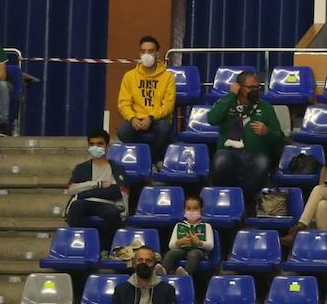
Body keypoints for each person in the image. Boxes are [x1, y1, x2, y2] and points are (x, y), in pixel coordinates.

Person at [208, 70, 286, 206]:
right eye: (251, 87)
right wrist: (231, 95)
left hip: (256, 154)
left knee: (261, 162)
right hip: (229, 152)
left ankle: (247, 203)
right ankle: (220, 200)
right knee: (220, 159)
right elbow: (212, 119)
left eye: (257, 87)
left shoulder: (266, 107)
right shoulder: (226, 103)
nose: (255, 90)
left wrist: (266, 132)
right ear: (239, 87)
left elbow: (279, 137)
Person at [64, 129, 130, 252]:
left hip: (107, 205)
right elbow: (72, 189)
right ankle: (77, 248)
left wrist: (86, 191)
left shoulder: (117, 169)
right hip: (85, 203)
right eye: (92, 144)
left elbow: (116, 192)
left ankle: (109, 250)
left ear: (107, 146)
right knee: (76, 207)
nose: (96, 147)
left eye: (100, 144)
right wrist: (97, 184)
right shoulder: (82, 168)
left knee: (112, 213)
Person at [116, 35, 175, 163]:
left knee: (165, 128)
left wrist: (151, 117)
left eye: (150, 51)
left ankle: (153, 161)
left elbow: (168, 105)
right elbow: (123, 103)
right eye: (143, 51)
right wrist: (132, 118)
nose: (146, 55)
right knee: (123, 131)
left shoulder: (168, 77)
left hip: (158, 120)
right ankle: (140, 159)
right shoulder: (129, 76)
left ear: (157, 54)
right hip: (136, 119)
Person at [162, 194, 215, 276]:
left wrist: (199, 243)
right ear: (184, 210)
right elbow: (171, 246)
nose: (192, 211)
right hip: (182, 250)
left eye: (195, 208)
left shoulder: (206, 226)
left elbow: (211, 246)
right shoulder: (179, 225)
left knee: (193, 253)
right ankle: (162, 272)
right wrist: (180, 242)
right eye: (189, 208)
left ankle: (185, 274)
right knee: (171, 253)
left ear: (201, 210)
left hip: (199, 252)